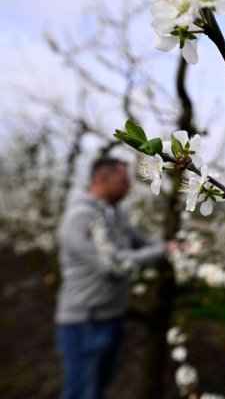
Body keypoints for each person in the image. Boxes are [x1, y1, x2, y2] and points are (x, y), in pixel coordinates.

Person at [55, 157, 176, 399]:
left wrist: (175, 246)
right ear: (102, 179)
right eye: (124, 181)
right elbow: (112, 263)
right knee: (82, 393)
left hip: (110, 316)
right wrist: (163, 251)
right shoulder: (81, 217)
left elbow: (142, 240)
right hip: (85, 322)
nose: (129, 187)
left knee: (99, 389)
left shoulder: (113, 213)